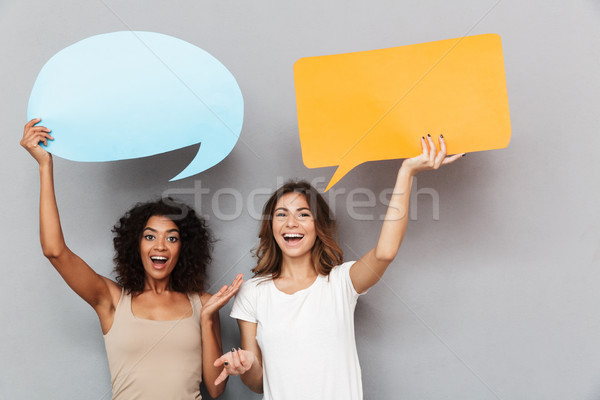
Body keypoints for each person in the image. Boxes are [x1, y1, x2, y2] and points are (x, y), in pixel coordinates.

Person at [213, 134, 463, 399]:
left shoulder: (341, 282)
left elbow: (385, 252)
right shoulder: (253, 292)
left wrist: (407, 171)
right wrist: (248, 365)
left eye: (303, 214)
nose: (291, 223)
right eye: (281, 215)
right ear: (271, 227)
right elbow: (258, 384)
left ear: (318, 227)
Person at [21, 118, 242, 400]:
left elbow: (216, 388)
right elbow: (54, 250)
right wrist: (44, 166)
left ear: (184, 250)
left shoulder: (204, 305)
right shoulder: (112, 300)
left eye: (172, 238)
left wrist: (209, 319)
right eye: (150, 236)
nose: (160, 246)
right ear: (135, 246)